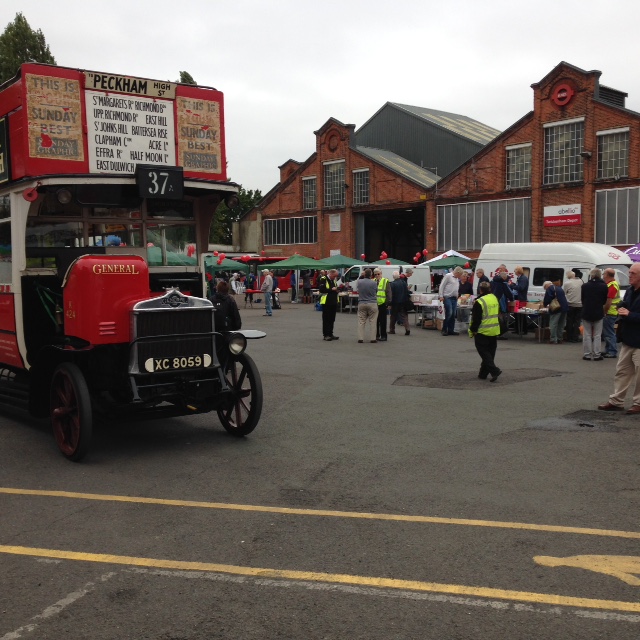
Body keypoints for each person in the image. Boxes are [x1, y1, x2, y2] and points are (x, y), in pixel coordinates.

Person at [598, 262, 640, 414]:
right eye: (630, 273)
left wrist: (630, 314)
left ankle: (638, 403)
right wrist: (622, 306)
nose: (629, 276)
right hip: (628, 339)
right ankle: (616, 401)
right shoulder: (630, 290)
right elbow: (626, 304)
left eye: (633, 274)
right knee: (622, 371)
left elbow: (631, 313)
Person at [468, 281, 502, 382]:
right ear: (490, 289)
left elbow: (476, 318)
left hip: (483, 330)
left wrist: (473, 330)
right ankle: (483, 374)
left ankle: (494, 370)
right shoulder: (494, 298)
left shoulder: (479, 301)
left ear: (480, 290)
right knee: (490, 352)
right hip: (494, 329)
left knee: (484, 352)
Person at [581, 268, 608, 361]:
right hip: (598, 312)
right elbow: (604, 300)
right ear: (600, 275)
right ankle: (597, 354)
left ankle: (587, 354)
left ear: (591, 275)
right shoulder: (604, 286)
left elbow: (582, 299)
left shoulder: (585, 286)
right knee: (597, 335)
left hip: (586, 311)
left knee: (587, 334)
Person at [438, 266, 463, 336]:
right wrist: (441, 296)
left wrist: (457, 294)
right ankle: (444, 329)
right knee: (449, 313)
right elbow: (442, 286)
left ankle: (451, 330)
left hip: (454, 298)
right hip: (447, 297)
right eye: (460, 274)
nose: (460, 276)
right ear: (457, 273)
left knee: (453, 314)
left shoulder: (457, 279)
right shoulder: (448, 276)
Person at [490, 265, 513, 340]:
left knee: (495, 317)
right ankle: (500, 333)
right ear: (504, 278)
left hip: (494, 301)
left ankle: (494, 332)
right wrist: (512, 299)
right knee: (501, 318)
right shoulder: (503, 283)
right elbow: (509, 293)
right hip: (501, 302)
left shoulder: (493, 282)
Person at [356, 269, 378, 343]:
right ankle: (373, 338)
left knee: (361, 321)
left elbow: (358, 290)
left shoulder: (359, 282)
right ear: (371, 275)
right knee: (373, 321)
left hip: (362, 302)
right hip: (372, 303)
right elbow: (376, 291)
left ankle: (360, 338)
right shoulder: (374, 283)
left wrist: (362, 275)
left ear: (364, 274)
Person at [602, 268, 621, 358]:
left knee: (609, 333)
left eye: (604, 274)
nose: (603, 276)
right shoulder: (612, 284)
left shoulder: (612, 285)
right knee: (608, 332)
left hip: (610, 311)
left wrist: (605, 311)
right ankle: (608, 350)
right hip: (612, 311)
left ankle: (612, 351)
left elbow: (609, 300)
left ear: (607, 275)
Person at [319, 268, 340, 341]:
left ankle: (331, 333)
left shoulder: (333, 280)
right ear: (330, 274)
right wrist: (332, 289)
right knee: (326, 319)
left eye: (335, 276)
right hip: (326, 302)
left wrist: (337, 290)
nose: (335, 278)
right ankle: (326, 335)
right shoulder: (323, 279)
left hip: (333, 302)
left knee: (332, 319)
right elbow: (322, 290)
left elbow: (335, 288)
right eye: (334, 276)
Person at [564, 270, 583, 343]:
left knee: (569, 321)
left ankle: (569, 337)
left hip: (570, 304)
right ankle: (575, 337)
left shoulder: (567, 283)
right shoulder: (581, 281)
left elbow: (565, 292)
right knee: (577, 321)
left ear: (568, 276)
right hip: (580, 304)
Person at [389, 271, 411, 336]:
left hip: (395, 302)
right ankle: (407, 328)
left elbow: (391, 294)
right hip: (403, 302)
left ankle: (392, 329)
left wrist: (389, 303)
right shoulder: (403, 282)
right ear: (399, 276)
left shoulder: (392, 284)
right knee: (404, 316)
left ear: (393, 277)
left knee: (393, 316)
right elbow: (407, 292)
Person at [373, 268, 391, 341]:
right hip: (374, 303)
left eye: (378, 274)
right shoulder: (373, 281)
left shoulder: (385, 281)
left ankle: (383, 336)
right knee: (375, 320)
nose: (377, 275)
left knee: (383, 321)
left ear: (381, 274)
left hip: (383, 303)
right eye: (375, 274)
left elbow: (389, 292)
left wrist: (388, 302)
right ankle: (376, 335)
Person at [511, 265, 529, 335]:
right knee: (516, 314)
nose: (514, 271)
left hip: (521, 299)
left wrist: (513, 286)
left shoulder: (523, 278)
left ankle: (522, 329)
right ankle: (518, 329)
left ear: (518, 271)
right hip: (518, 298)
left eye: (515, 270)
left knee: (521, 315)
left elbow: (521, 288)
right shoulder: (520, 278)